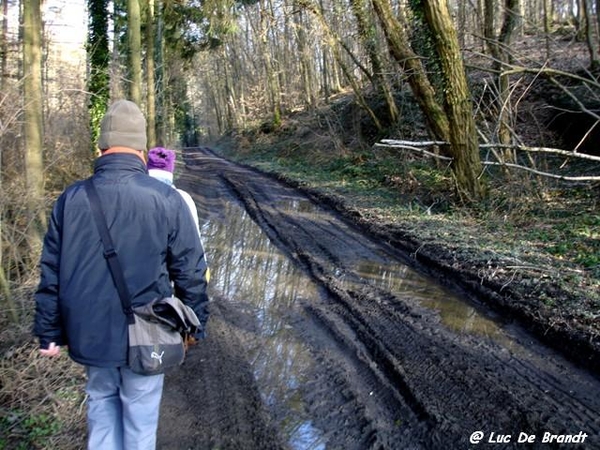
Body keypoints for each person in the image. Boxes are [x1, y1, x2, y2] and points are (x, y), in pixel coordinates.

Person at [34, 99, 209, 450]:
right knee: (140, 420)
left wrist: (48, 331)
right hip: (149, 332)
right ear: (141, 149)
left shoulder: (70, 199)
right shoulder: (166, 198)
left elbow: (51, 271)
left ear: (101, 146)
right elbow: (190, 269)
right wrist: (194, 325)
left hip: (89, 331)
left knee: (101, 406)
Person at [147, 147, 211, 285]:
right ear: (171, 170)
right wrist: (203, 271)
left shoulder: (134, 197)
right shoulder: (184, 199)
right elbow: (195, 243)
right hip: (170, 280)